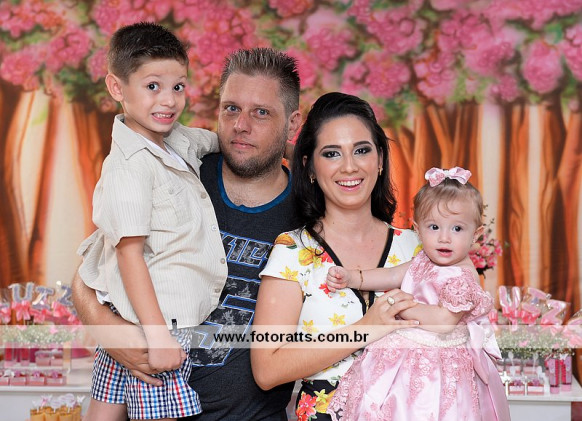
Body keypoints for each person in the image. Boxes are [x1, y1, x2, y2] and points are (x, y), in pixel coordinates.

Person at [72, 47, 303, 420]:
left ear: (292, 125)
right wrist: (115, 335)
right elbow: (89, 274)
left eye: (261, 113)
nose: (241, 125)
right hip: (147, 400)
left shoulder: (311, 209)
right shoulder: (178, 172)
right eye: (231, 109)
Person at [76, 22, 228, 421]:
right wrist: (158, 335)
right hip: (158, 321)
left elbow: (216, 141)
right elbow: (129, 255)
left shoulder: (177, 139)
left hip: (141, 317)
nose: (169, 100)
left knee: (104, 409)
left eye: (178, 86)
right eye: (152, 86)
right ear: (117, 87)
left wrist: (281, 146)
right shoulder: (129, 167)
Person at [251, 92, 421, 421]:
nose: (349, 166)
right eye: (331, 153)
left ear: (380, 159)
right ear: (310, 168)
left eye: (362, 150)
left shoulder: (417, 248)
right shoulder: (293, 250)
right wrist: (364, 329)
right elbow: (266, 369)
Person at [325, 167, 511, 420]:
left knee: (430, 408)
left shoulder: (462, 275)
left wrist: (401, 306)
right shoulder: (423, 260)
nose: (444, 238)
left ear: (475, 235)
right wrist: (353, 277)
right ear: (418, 230)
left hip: (439, 364)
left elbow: (444, 322)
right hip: (405, 354)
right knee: (392, 405)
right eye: (434, 227)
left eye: (457, 229)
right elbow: (391, 275)